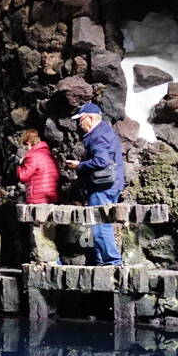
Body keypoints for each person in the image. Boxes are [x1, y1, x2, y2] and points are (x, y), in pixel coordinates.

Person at [64, 102, 126, 266]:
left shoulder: (98, 135)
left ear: (90, 118)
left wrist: (79, 166)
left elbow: (101, 161)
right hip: (108, 185)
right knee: (94, 223)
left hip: (103, 187)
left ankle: (112, 262)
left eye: (81, 120)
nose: (79, 124)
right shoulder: (105, 132)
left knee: (99, 225)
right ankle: (97, 260)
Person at [15, 129, 60, 204]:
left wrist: (19, 165)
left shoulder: (32, 156)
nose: (25, 150)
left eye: (25, 147)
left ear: (28, 144)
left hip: (38, 197)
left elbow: (22, 176)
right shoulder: (49, 154)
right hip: (52, 195)